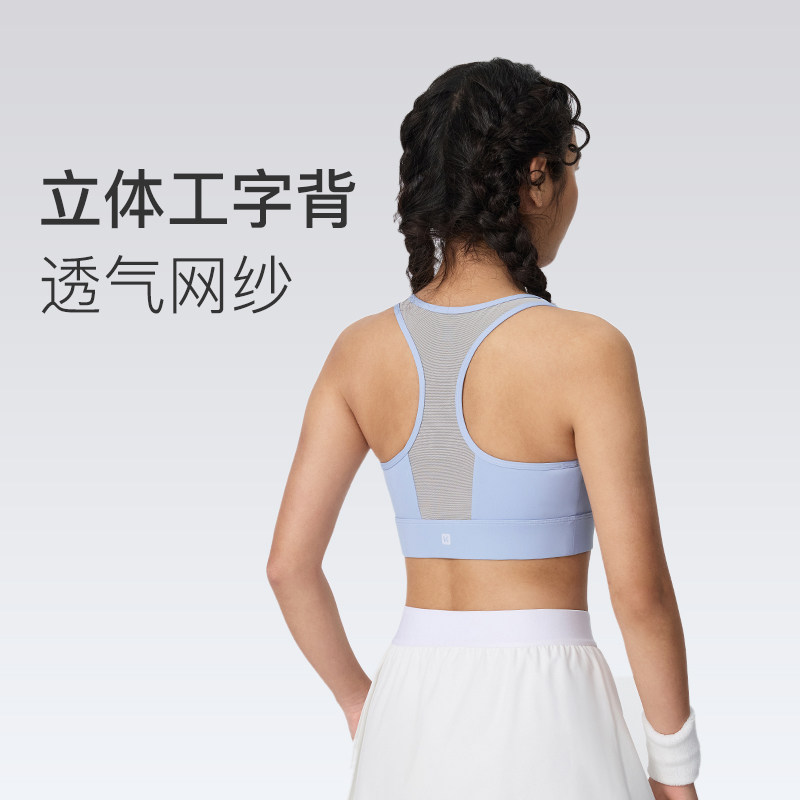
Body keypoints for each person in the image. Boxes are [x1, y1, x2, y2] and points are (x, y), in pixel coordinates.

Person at [267, 57, 701, 800]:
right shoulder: (587, 351)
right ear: (537, 178)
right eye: (569, 169)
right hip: (549, 710)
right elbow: (640, 593)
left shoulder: (358, 351)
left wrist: (360, 704)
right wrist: (676, 771)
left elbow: (288, 567)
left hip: (407, 710)